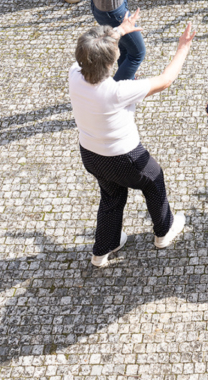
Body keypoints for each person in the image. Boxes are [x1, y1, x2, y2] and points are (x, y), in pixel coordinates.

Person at [69, 17, 196, 267]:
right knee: (153, 180)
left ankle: (104, 248)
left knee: (112, 196)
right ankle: (164, 230)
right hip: (125, 158)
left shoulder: (75, 73)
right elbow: (166, 80)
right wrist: (183, 47)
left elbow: (92, 53)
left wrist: (119, 31)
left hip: (91, 155)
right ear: (109, 63)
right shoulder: (117, 91)